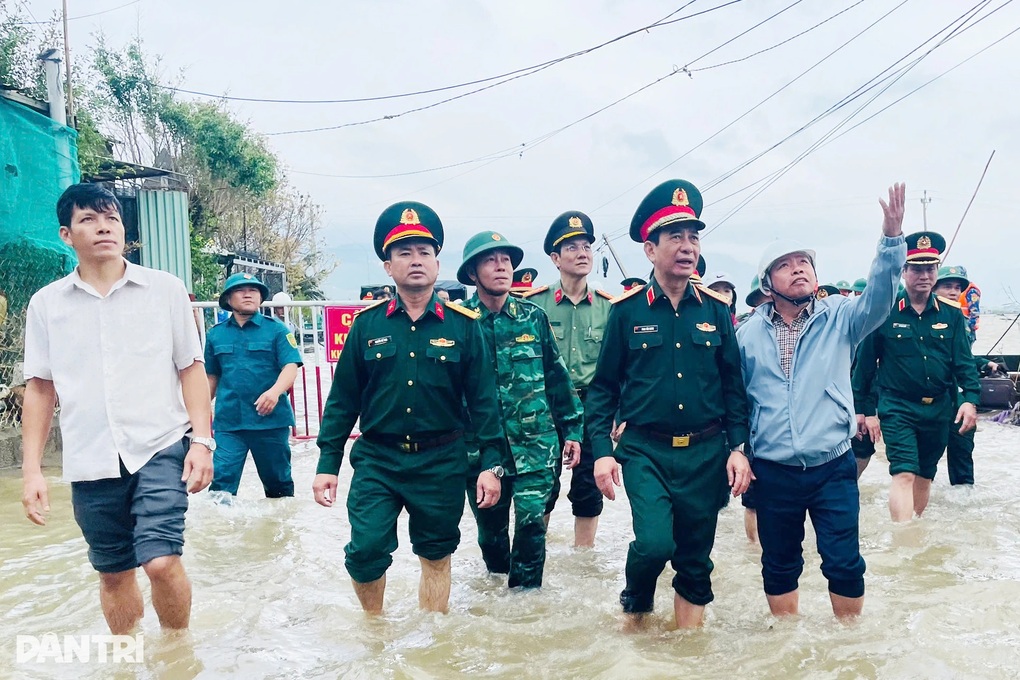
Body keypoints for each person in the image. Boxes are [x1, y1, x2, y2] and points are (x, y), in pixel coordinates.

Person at [21, 183, 214, 634]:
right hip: (91, 458)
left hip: (160, 445)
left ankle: (176, 652)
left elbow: (191, 369)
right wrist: (32, 470)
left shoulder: (165, 290)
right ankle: (127, 659)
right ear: (66, 234)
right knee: (113, 572)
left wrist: (202, 442)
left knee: (161, 562)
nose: (103, 227)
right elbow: (40, 389)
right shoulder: (47, 304)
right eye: (88, 219)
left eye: (111, 218)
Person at [312, 201, 504, 615]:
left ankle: (430, 643)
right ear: (388, 266)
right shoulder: (367, 326)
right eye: (404, 253)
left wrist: (491, 464)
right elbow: (342, 400)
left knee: (436, 555)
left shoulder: (464, 327)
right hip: (378, 460)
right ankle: (374, 631)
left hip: (441, 462)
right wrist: (327, 462)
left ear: (437, 262)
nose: (416, 261)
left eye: (424, 252)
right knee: (364, 553)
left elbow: (485, 404)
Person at [737, 183, 907, 620]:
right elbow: (734, 399)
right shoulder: (746, 335)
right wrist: (736, 451)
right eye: (786, 265)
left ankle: (848, 646)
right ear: (767, 281)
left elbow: (881, 298)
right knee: (778, 565)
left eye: (804, 263)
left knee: (844, 562)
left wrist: (891, 240)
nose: (798, 270)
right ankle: (787, 646)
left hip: (833, 465)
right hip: (773, 470)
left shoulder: (841, 317)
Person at [587, 179, 751, 629]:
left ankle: (686, 655)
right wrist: (602, 452)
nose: (687, 246)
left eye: (693, 236)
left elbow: (734, 386)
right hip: (645, 450)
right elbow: (603, 390)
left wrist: (739, 448)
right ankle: (636, 608)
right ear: (650, 249)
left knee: (695, 557)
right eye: (675, 236)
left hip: (706, 450)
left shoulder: (717, 311)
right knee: (655, 544)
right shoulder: (626, 312)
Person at [457, 231, 584, 588]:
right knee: (491, 538)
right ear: (472, 273)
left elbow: (557, 377)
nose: (501, 268)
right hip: (481, 452)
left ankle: (525, 609)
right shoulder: (460, 323)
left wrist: (572, 430)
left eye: (507, 261)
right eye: (490, 261)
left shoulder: (533, 317)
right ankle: (497, 598)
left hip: (536, 448)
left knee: (531, 528)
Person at [853, 233, 981, 522]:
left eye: (930, 268)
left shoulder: (951, 314)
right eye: (917, 269)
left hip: (939, 408)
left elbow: (964, 363)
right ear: (904, 272)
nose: (924, 275)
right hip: (898, 407)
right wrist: (865, 411)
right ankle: (902, 537)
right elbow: (865, 366)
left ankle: (914, 532)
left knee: (925, 474)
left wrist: (970, 400)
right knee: (904, 472)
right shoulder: (884, 312)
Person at [521, 211, 613, 548]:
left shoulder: (608, 308)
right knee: (543, 482)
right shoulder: (535, 305)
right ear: (555, 258)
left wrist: (619, 414)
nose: (583, 252)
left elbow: (617, 369)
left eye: (587, 246)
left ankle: (583, 558)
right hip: (546, 406)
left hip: (592, 406)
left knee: (589, 484)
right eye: (572, 247)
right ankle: (535, 552)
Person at [204, 273, 302, 498]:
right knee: (221, 483)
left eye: (254, 290)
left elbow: (291, 366)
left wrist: (275, 392)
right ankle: (223, 531)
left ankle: (280, 529)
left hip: (270, 421)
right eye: (240, 290)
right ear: (228, 299)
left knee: (278, 484)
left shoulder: (276, 330)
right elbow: (211, 378)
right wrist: (194, 415)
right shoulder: (215, 335)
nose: (248, 294)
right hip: (230, 423)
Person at [931, 265, 995, 487]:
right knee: (921, 465)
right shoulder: (922, 319)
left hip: (960, 400)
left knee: (962, 460)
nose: (953, 292)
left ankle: (962, 508)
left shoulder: (961, 322)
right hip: (932, 400)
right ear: (933, 287)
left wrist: (985, 363)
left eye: (957, 287)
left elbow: (963, 359)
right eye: (947, 286)